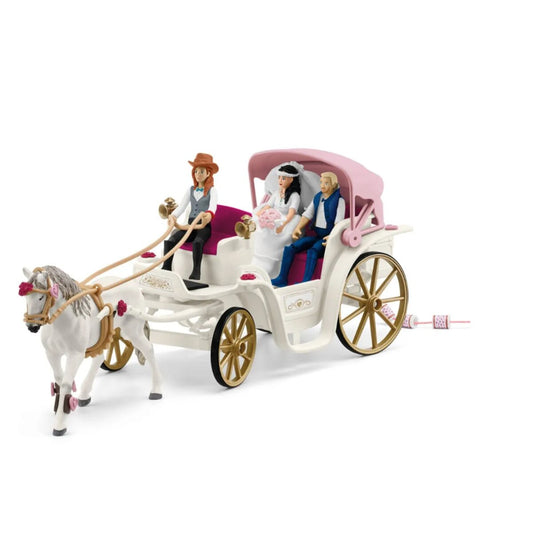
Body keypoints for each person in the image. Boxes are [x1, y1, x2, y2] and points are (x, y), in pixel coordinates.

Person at [271, 171, 345, 287]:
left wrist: (332, 236)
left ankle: (306, 282)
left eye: (326, 183)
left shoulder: (339, 200)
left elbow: (339, 221)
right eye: (321, 182)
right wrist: (298, 228)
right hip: (317, 235)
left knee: (313, 251)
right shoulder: (318, 197)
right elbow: (308, 214)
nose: (322, 186)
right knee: (291, 247)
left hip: (328, 238)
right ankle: (282, 278)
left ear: (333, 185)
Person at [161, 153, 219, 280]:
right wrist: (173, 216)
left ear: (208, 173)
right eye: (196, 171)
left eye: (201, 171)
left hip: (203, 226)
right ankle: (166, 267)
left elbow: (212, 207)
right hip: (190, 225)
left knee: (198, 242)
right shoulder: (191, 190)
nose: (198, 174)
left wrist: (208, 215)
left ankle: (196, 272)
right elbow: (182, 206)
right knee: (171, 240)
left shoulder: (212, 190)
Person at [252, 162, 302, 277]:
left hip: (286, 219)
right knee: (262, 230)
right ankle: (258, 260)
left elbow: (291, 213)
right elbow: (268, 206)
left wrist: (283, 225)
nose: (280, 180)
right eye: (279, 177)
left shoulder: (294, 196)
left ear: (291, 179)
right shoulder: (276, 193)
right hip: (274, 215)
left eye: (283, 178)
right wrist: (258, 214)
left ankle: (271, 264)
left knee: (278, 234)